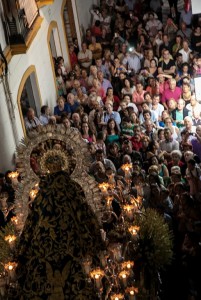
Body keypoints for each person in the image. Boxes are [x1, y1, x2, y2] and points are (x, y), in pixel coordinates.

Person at [16, 170, 105, 299]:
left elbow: (30, 225)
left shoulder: (42, 197)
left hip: (43, 254)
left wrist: (20, 253)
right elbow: (87, 220)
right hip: (75, 254)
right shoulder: (73, 196)